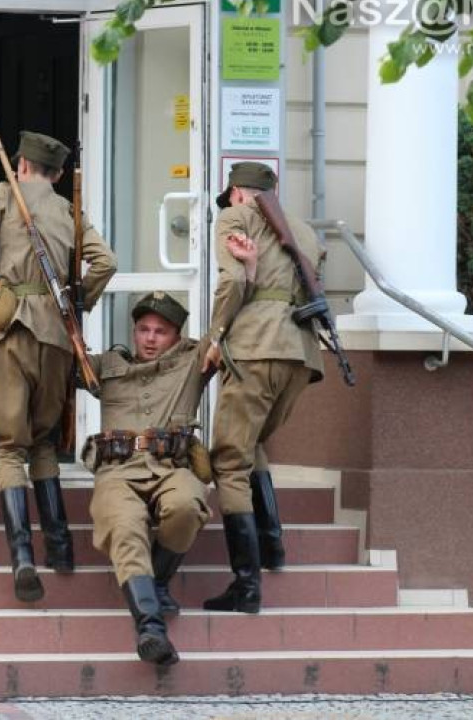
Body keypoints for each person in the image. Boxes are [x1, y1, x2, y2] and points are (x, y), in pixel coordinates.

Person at [0, 130, 117, 603]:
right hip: (58, 336)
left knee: (8, 448)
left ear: (20, 166)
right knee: (42, 442)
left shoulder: (3, 195)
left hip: (13, 330)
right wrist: (77, 302)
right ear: (56, 174)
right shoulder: (67, 209)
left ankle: (22, 557)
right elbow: (106, 262)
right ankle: (60, 548)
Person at [80, 286, 247, 666]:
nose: (150, 339)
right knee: (124, 524)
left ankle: (154, 583)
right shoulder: (107, 365)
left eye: (161, 331)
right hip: (117, 471)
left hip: (172, 468)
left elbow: (224, 321)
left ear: (176, 336)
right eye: (143, 329)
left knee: (187, 504)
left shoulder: (192, 361)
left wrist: (243, 275)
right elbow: (59, 359)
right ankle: (151, 628)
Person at [200, 161, 325, 613]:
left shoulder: (235, 217)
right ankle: (272, 546)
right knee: (250, 442)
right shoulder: (305, 231)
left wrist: (215, 337)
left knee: (228, 462)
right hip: (300, 355)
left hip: (255, 347)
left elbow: (234, 279)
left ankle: (246, 586)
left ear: (236, 192)